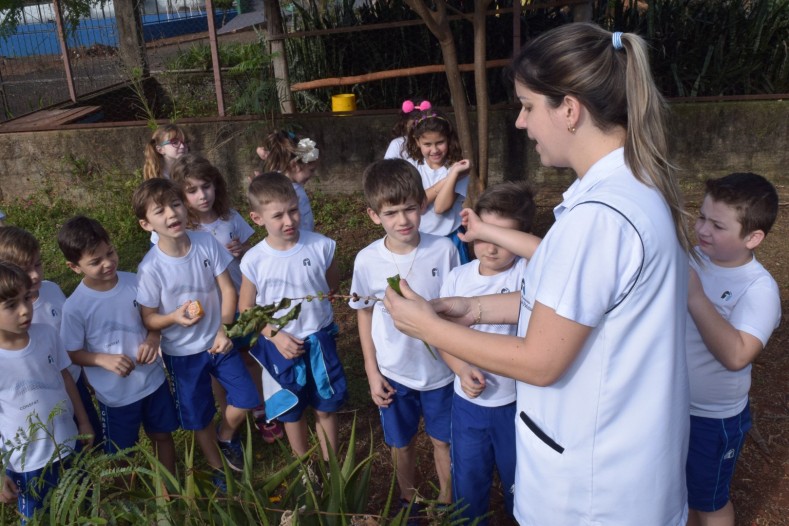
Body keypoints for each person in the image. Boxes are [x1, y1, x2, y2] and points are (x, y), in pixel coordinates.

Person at [384, 23, 694, 525]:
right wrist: (474, 308)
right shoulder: (630, 190)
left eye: (528, 106)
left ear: (569, 109)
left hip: (591, 491)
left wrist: (429, 328)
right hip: (621, 473)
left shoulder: (601, 218)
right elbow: (573, 307)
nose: (522, 122)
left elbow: (542, 360)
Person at [349, 159, 459, 516]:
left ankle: (446, 501)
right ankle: (408, 500)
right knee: (401, 442)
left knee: (444, 440)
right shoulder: (367, 260)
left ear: (423, 206)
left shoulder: (444, 249)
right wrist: (371, 369)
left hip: (442, 370)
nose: (403, 220)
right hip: (395, 371)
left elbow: (458, 306)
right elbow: (364, 312)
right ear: (373, 215)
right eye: (391, 212)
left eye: (410, 208)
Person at [132, 178, 260, 485]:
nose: (171, 214)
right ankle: (218, 469)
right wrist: (174, 317)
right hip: (182, 355)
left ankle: (226, 435)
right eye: (159, 211)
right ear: (145, 224)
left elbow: (228, 290)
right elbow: (148, 318)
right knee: (198, 416)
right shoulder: (150, 268)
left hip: (219, 342)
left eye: (175, 205)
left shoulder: (204, 242)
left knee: (246, 397)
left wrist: (224, 330)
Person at [685, 173, 781, 526]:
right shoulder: (693, 259)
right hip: (671, 405)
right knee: (681, 494)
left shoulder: (758, 289)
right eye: (701, 217)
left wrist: (695, 297)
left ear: (753, 237)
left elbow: (738, 354)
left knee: (709, 502)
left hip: (714, 418)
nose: (703, 230)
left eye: (718, 226)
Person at [170, 153, 284, 443]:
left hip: (242, 299)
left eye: (206, 186)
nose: (201, 195)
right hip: (209, 310)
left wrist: (241, 250)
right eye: (192, 190)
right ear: (181, 196)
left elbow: (250, 246)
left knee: (250, 356)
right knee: (218, 362)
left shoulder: (229, 217)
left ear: (216, 185)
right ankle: (229, 410)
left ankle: (259, 409)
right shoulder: (186, 230)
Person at [441, 182, 535, 525]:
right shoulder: (457, 277)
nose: (491, 248)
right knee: (469, 483)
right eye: (481, 235)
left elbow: (548, 254)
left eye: (502, 238)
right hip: (468, 405)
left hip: (516, 404)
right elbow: (443, 338)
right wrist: (462, 369)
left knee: (519, 484)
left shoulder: (530, 274)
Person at [239, 172, 347, 466]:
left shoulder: (322, 246)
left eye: (293, 210)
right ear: (257, 217)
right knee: (292, 408)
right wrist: (275, 335)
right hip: (280, 346)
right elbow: (246, 309)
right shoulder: (254, 260)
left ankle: (331, 465)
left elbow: (331, 285)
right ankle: (303, 467)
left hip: (319, 341)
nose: (289, 221)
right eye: (278, 215)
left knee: (325, 405)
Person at [57, 216, 179, 473]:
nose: (108, 263)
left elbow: (152, 319)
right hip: (115, 396)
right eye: (95, 261)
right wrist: (102, 359)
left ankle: (170, 486)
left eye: (110, 252)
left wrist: (153, 337)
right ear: (74, 267)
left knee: (162, 435)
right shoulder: (75, 306)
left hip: (153, 381)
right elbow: (70, 352)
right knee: (122, 454)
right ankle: (128, 498)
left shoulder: (136, 282)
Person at [0, 262, 93, 522]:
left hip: (67, 444)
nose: (24, 310)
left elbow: (65, 377)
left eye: (26, 298)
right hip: (28, 463)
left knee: (81, 507)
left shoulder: (47, 334)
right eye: (11, 305)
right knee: (39, 518)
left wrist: (83, 421)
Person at [0, 226, 103, 446]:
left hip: (74, 382)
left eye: (38, 264)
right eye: (25, 270)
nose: (35, 274)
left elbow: (71, 336)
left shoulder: (52, 290)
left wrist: (85, 373)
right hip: (45, 400)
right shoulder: (11, 320)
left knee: (92, 440)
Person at [405, 110, 471, 263]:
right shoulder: (412, 168)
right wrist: (448, 179)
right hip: (420, 240)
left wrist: (453, 174)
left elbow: (440, 208)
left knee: (455, 282)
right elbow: (414, 202)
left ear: (448, 140)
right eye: (427, 144)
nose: (434, 150)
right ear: (417, 142)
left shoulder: (458, 169)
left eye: (440, 142)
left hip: (451, 238)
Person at [258, 130, 320, 232]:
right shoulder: (283, 191)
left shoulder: (291, 183)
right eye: (311, 170)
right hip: (297, 242)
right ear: (295, 165)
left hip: (307, 239)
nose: (312, 175)